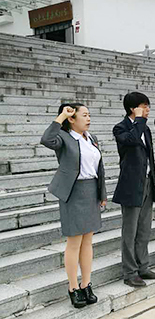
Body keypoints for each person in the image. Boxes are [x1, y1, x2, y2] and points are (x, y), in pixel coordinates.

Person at [41, 104, 107, 308]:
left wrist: (102, 193)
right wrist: (62, 116)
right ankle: (73, 287)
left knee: (88, 241)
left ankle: (86, 284)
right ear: (72, 119)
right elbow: (46, 140)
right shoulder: (63, 138)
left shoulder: (92, 138)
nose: (88, 118)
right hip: (73, 192)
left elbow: (100, 168)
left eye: (89, 115)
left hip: (91, 191)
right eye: (84, 115)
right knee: (74, 243)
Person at [113, 92, 155, 287]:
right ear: (132, 108)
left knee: (144, 229)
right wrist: (140, 121)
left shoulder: (146, 129)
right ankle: (130, 272)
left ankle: (143, 266)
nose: (148, 109)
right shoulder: (120, 128)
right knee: (130, 231)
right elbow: (132, 140)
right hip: (131, 185)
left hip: (147, 183)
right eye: (144, 106)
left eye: (148, 106)